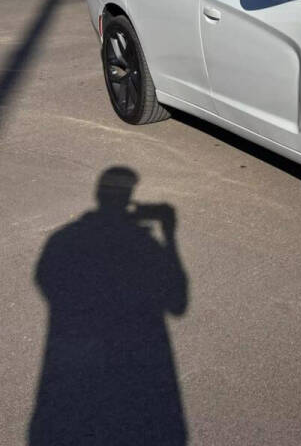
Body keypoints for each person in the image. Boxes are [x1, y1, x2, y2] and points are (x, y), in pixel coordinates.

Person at [29, 166, 188, 445]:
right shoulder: (145, 244)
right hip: (137, 363)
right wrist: (170, 235)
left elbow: (46, 280)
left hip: (74, 362)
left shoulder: (63, 238)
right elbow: (178, 303)